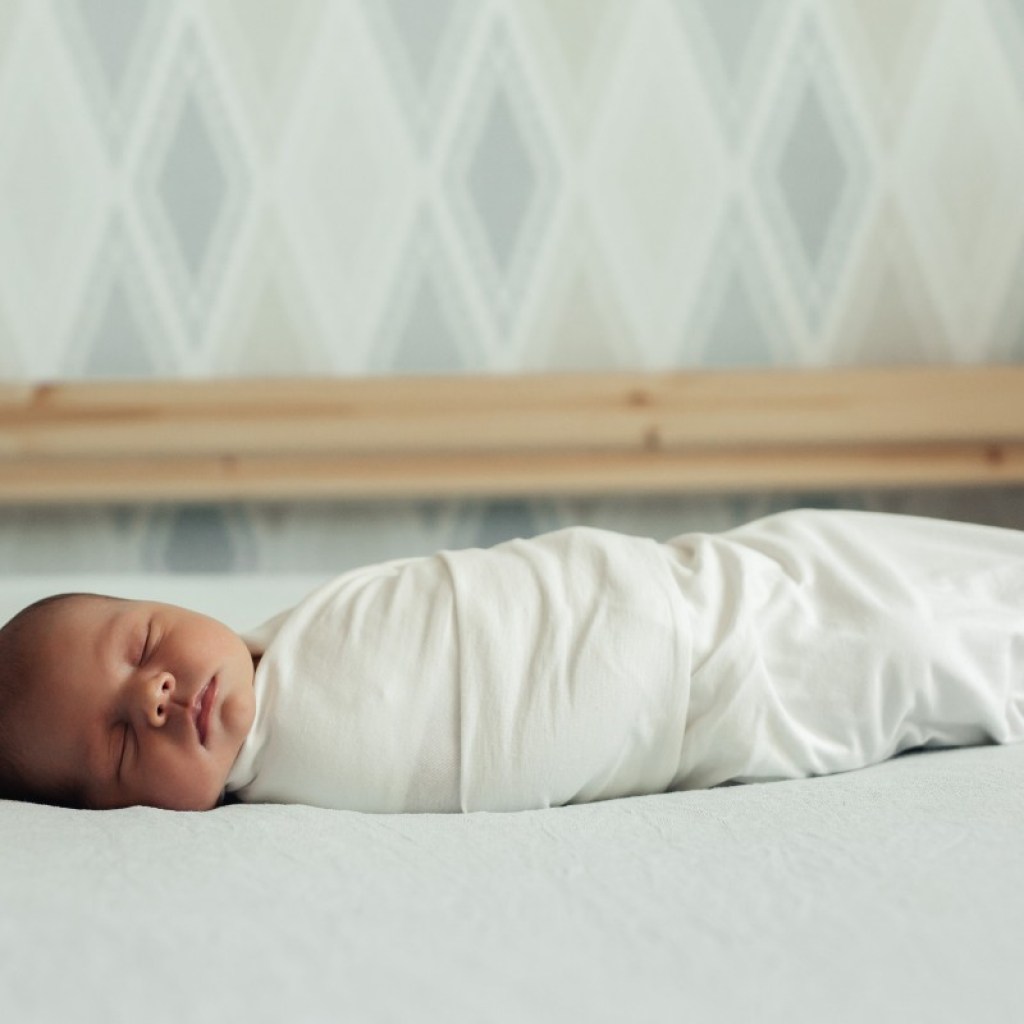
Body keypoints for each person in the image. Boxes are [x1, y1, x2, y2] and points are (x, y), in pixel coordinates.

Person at [1, 508, 1022, 813]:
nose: (154, 696)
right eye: (121, 745)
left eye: (143, 645)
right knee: (918, 646)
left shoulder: (298, 632)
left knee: (914, 568)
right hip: (717, 706)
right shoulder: (287, 783)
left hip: (693, 587)